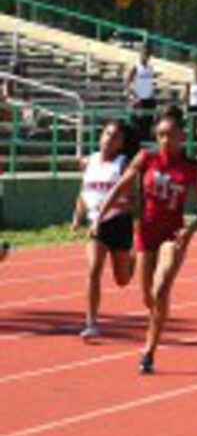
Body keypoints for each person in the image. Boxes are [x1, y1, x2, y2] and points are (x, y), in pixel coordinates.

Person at [93, 109, 197, 373]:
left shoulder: (191, 168)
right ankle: (158, 317)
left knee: (161, 291)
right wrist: (99, 217)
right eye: (160, 135)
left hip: (173, 236)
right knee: (149, 299)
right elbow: (120, 187)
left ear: (182, 136)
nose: (165, 140)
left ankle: (148, 352)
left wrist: (190, 229)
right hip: (145, 234)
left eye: (170, 135)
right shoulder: (146, 158)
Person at [71, 120, 136, 338]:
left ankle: (131, 262)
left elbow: (134, 201)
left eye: (115, 136)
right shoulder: (88, 162)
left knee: (122, 280)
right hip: (95, 224)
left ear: (121, 144)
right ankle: (91, 322)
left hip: (119, 223)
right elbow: (83, 192)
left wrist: (114, 205)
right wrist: (76, 218)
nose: (109, 139)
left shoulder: (123, 164)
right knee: (93, 270)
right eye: (106, 133)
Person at [125, 48, 157, 145]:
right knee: (137, 122)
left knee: (148, 121)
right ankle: (136, 142)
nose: (145, 57)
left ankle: (146, 141)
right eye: (143, 54)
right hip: (138, 99)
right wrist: (133, 97)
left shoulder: (150, 68)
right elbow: (127, 82)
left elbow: (150, 83)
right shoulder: (135, 67)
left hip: (148, 98)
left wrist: (152, 95)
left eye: (147, 55)